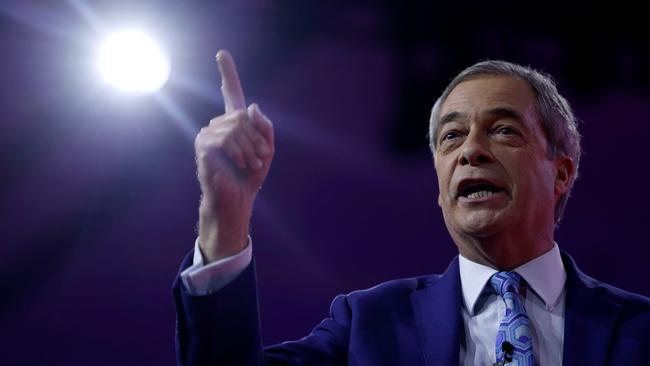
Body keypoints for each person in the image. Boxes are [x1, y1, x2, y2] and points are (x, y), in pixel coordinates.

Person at [172, 50, 650, 365]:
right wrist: (225, 215)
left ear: (562, 173)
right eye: (451, 137)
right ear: (442, 189)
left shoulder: (638, 332)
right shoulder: (368, 326)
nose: (471, 151)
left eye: (504, 130)